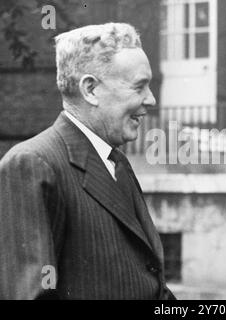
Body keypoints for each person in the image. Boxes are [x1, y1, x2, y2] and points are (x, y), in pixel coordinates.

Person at [0, 23, 175, 300]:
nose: (151, 99)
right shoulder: (32, 164)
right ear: (90, 89)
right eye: (139, 86)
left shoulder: (116, 160)